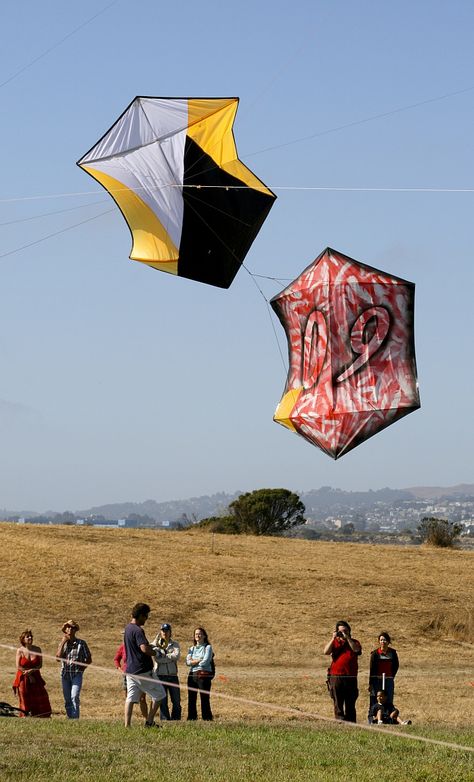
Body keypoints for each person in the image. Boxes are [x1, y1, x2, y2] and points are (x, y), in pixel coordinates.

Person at [123, 603, 166, 727]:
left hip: (130, 670)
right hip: (143, 670)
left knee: (130, 698)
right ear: (141, 615)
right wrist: (157, 653)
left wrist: (150, 646)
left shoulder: (127, 628)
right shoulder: (138, 630)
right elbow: (144, 649)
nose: (146, 618)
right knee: (160, 695)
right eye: (146, 616)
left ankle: (127, 726)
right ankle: (149, 721)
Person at [324, 620, 362, 722]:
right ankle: (339, 720)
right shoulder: (335, 642)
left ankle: (351, 721)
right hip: (336, 676)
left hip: (351, 676)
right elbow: (326, 651)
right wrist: (333, 638)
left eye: (345, 630)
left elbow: (356, 650)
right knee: (337, 701)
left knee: (350, 701)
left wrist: (347, 638)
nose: (343, 633)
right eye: (341, 631)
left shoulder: (355, 642)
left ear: (349, 631)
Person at [56, 619, 92, 719]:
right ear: (65, 630)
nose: (70, 629)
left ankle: (75, 718)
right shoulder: (63, 643)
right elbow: (58, 658)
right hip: (65, 674)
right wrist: (63, 642)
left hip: (76, 674)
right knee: (67, 698)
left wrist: (82, 668)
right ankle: (69, 716)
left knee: (74, 696)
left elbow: (88, 659)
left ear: (75, 630)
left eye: (72, 627)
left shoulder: (81, 643)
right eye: (68, 627)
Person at [12, 629, 52, 717]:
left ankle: (40, 715)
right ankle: (25, 715)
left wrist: (32, 671)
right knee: (24, 696)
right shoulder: (20, 650)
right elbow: (18, 666)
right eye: (27, 637)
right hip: (23, 676)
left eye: (31, 636)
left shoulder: (37, 649)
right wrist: (28, 674)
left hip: (36, 676)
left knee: (40, 695)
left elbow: (40, 665)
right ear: (23, 639)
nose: (30, 638)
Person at [114, 633, 148, 721]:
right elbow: (116, 659)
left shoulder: (139, 646)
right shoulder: (123, 647)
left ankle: (146, 720)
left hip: (139, 674)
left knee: (142, 698)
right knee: (129, 698)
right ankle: (128, 720)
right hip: (127, 674)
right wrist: (120, 669)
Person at [152, 623, 181, 720]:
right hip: (160, 675)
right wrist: (169, 657)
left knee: (176, 700)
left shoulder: (175, 644)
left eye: (167, 630)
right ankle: (165, 719)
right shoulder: (157, 644)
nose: (165, 632)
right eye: (163, 630)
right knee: (163, 700)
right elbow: (157, 659)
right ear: (160, 632)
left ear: (170, 632)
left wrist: (163, 656)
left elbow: (176, 656)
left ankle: (176, 719)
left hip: (172, 675)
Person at [368, 632, 399, 722]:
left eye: (385, 640)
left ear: (388, 641)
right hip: (377, 680)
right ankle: (373, 720)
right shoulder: (375, 653)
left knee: (388, 699)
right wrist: (371, 683)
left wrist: (391, 676)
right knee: (375, 699)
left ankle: (388, 719)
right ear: (379, 641)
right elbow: (372, 669)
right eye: (381, 640)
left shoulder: (393, 653)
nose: (383, 642)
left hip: (388, 680)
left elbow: (396, 666)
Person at [186, 626, 214, 721]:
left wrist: (194, 661)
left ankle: (207, 718)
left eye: (200, 633)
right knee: (191, 698)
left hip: (203, 675)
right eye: (196, 634)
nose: (197, 635)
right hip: (192, 675)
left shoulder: (208, 647)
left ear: (204, 636)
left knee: (204, 698)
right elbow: (187, 662)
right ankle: (192, 718)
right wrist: (198, 660)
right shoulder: (192, 648)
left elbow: (205, 662)